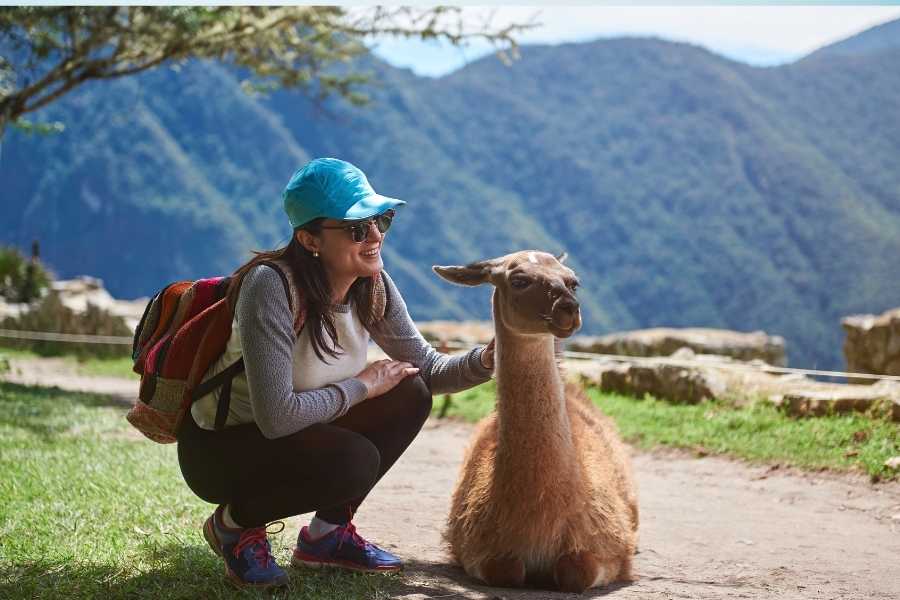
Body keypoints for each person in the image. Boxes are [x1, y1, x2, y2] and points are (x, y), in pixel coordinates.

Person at [175, 157, 495, 588]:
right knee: (354, 459)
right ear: (309, 239)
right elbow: (277, 418)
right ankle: (234, 527)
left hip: (297, 433)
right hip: (221, 450)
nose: (376, 236)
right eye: (357, 229)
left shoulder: (372, 285)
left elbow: (430, 369)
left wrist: (492, 358)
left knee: (412, 391)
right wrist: (362, 385)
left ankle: (326, 538)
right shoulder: (271, 286)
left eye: (381, 220)